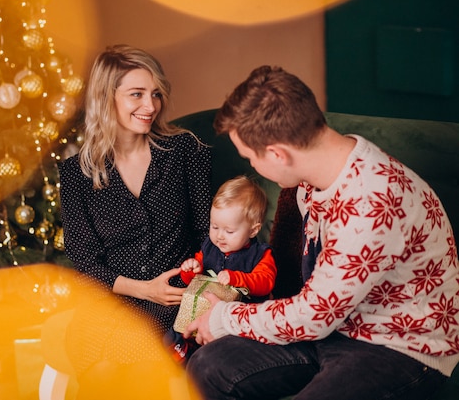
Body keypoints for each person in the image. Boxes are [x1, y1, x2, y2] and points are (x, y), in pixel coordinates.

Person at [184, 65, 459, 400]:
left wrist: (226, 317)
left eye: (249, 158)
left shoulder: (368, 203)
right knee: (208, 367)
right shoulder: (318, 176)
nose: (253, 168)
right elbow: (318, 306)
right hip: (333, 325)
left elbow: (315, 314)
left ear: (277, 154)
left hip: (397, 345)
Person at [58, 44, 212, 335]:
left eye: (155, 94)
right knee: (98, 364)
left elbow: (208, 233)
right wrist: (144, 290)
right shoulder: (75, 174)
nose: (151, 106)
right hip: (114, 301)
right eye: (136, 94)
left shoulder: (184, 150)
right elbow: (84, 261)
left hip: (180, 297)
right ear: (106, 98)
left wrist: (201, 287)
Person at [165, 175, 277, 364]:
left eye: (229, 231)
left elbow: (266, 283)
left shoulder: (261, 255)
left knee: (224, 350)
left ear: (253, 230)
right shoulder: (211, 246)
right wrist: (191, 269)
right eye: (214, 226)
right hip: (201, 310)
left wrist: (238, 278)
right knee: (173, 332)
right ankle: (179, 356)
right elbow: (193, 280)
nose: (219, 236)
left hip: (236, 319)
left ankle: (203, 360)